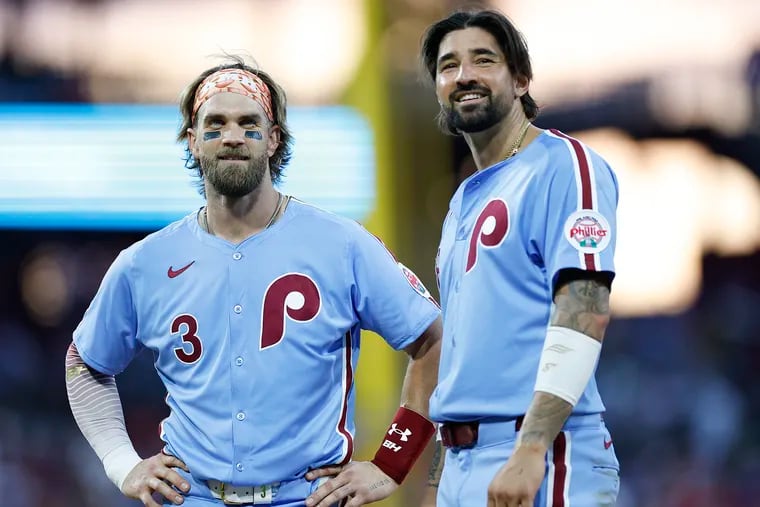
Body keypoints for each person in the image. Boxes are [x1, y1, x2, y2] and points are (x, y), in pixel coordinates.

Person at [65, 56, 443, 507]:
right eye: (215, 123)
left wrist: (391, 464)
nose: (231, 136)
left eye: (249, 123)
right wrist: (121, 463)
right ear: (192, 140)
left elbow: (432, 340)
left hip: (308, 497)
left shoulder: (342, 244)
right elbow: (84, 363)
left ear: (273, 139)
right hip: (192, 496)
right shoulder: (144, 262)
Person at [417, 9, 621, 507]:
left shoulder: (564, 165)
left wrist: (531, 448)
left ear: (521, 78)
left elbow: (585, 303)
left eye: (483, 60)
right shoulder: (463, 200)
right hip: (460, 464)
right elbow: (463, 356)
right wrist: (435, 483)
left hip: (542, 451)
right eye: (448, 66)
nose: (463, 75)